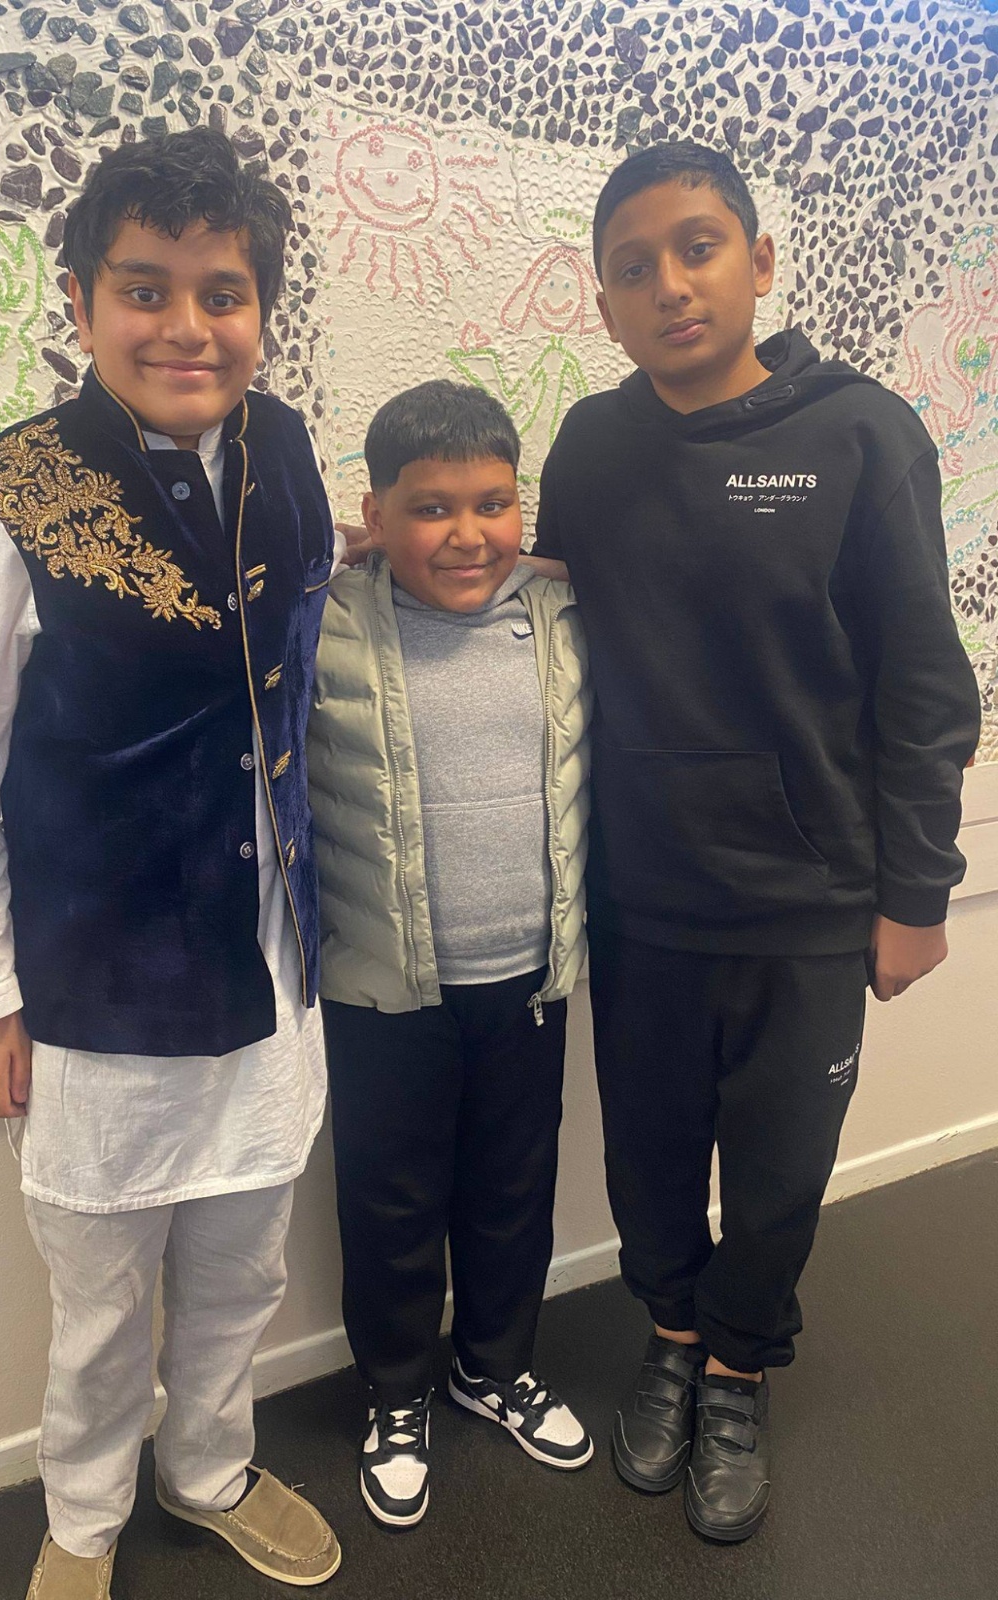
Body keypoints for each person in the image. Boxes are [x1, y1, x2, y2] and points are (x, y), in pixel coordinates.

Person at [0, 128, 343, 1598]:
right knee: (100, 1311)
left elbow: (287, 635)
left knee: (243, 1273)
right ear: (84, 303)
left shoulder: (285, 450)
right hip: (96, 994)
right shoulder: (16, 491)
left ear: (262, 308)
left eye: (223, 293)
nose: (186, 326)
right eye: (145, 289)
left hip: (271, 970)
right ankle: (83, 1518)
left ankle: (208, 1468)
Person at [533, 139, 982, 1543]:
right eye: (633, 268)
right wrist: (416, 564)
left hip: (811, 897)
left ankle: (737, 1369)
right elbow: (548, 614)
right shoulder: (593, 447)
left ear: (759, 260)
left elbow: (925, 683)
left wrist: (917, 893)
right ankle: (672, 1336)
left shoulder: (861, 433)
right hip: (642, 895)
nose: (670, 285)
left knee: (781, 1171)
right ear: (606, 303)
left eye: (697, 247)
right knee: (651, 1161)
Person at [307, 380, 595, 1529]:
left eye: (492, 504)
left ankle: (494, 1366)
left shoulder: (563, 611)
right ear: (375, 514)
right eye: (431, 509)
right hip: (384, 987)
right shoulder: (321, 616)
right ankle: (396, 1391)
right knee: (391, 1203)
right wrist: (312, 547)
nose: (467, 534)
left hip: (528, 975)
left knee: (513, 1190)